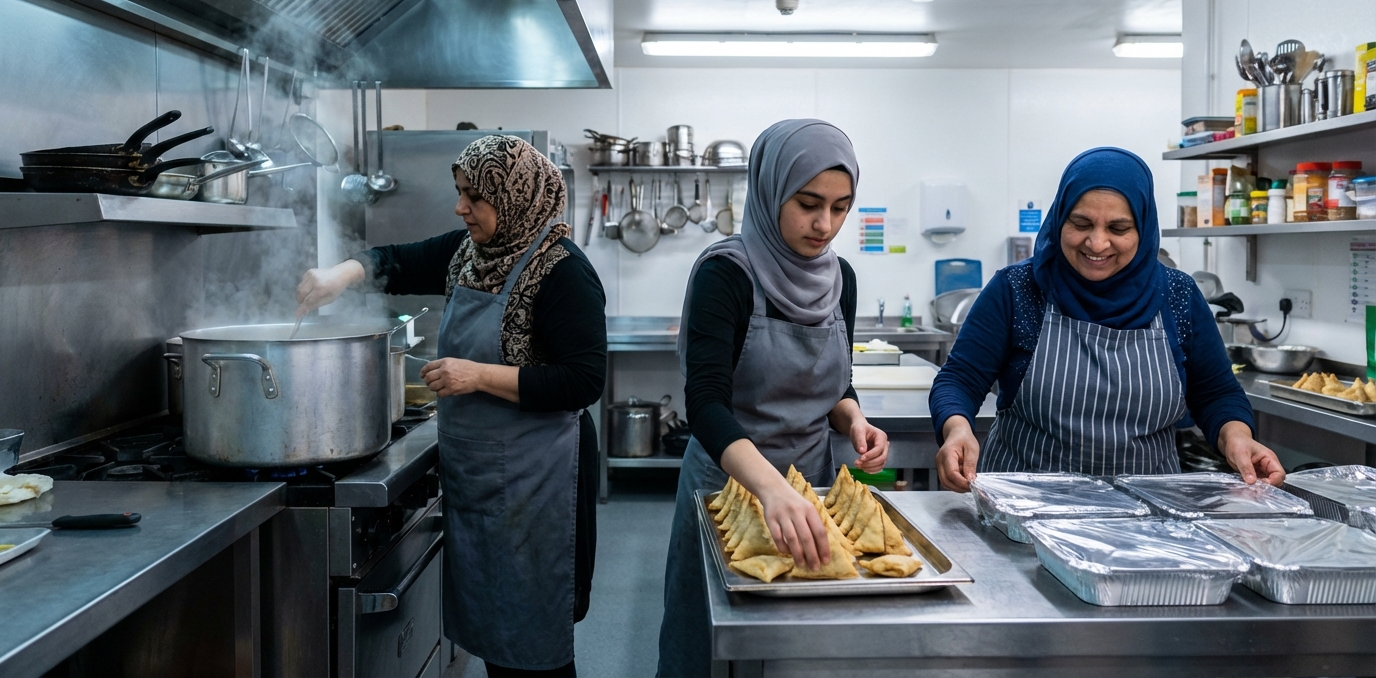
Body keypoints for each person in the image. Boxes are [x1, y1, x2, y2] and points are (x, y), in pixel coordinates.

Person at [295, 135, 605, 677]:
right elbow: (396, 260)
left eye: (474, 197)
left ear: (513, 197)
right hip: (483, 476)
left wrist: (477, 375)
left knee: (535, 645)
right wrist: (339, 275)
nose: (460, 207)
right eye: (459, 192)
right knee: (497, 641)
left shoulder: (563, 271)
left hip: (540, 483)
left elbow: (582, 381)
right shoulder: (470, 253)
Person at [656, 119, 890, 677]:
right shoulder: (726, 274)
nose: (824, 224)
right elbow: (705, 403)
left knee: (798, 652)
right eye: (808, 204)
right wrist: (771, 489)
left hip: (812, 488)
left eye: (840, 207)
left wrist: (855, 421)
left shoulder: (840, 279)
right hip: (728, 489)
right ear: (769, 191)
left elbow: (837, 385)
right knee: (708, 647)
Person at [929, 147, 1283, 490]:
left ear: (1143, 228)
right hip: (1023, 505)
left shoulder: (1178, 295)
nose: (1097, 243)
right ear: (1059, 218)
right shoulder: (1018, 288)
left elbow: (1216, 394)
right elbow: (960, 379)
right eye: (1081, 223)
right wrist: (957, 429)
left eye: (1118, 228)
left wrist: (1237, 436)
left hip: (1146, 511)